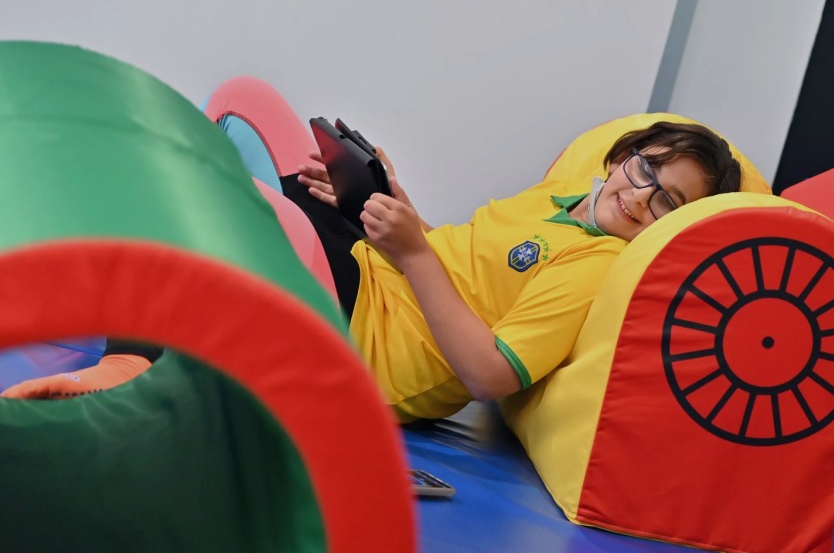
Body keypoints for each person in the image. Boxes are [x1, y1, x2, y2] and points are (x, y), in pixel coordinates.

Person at [3, 111, 743, 424]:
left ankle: (119, 368)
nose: (641, 197)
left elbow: (488, 376)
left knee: (237, 230)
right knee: (286, 185)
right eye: (645, 170)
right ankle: (76, 288)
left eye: (668, 203)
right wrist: (382, 200)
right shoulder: (562, 197)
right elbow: (462, 257)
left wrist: (409, 248)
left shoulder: (595, 268)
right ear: (621, 158)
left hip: (374, 345)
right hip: (380, 278)